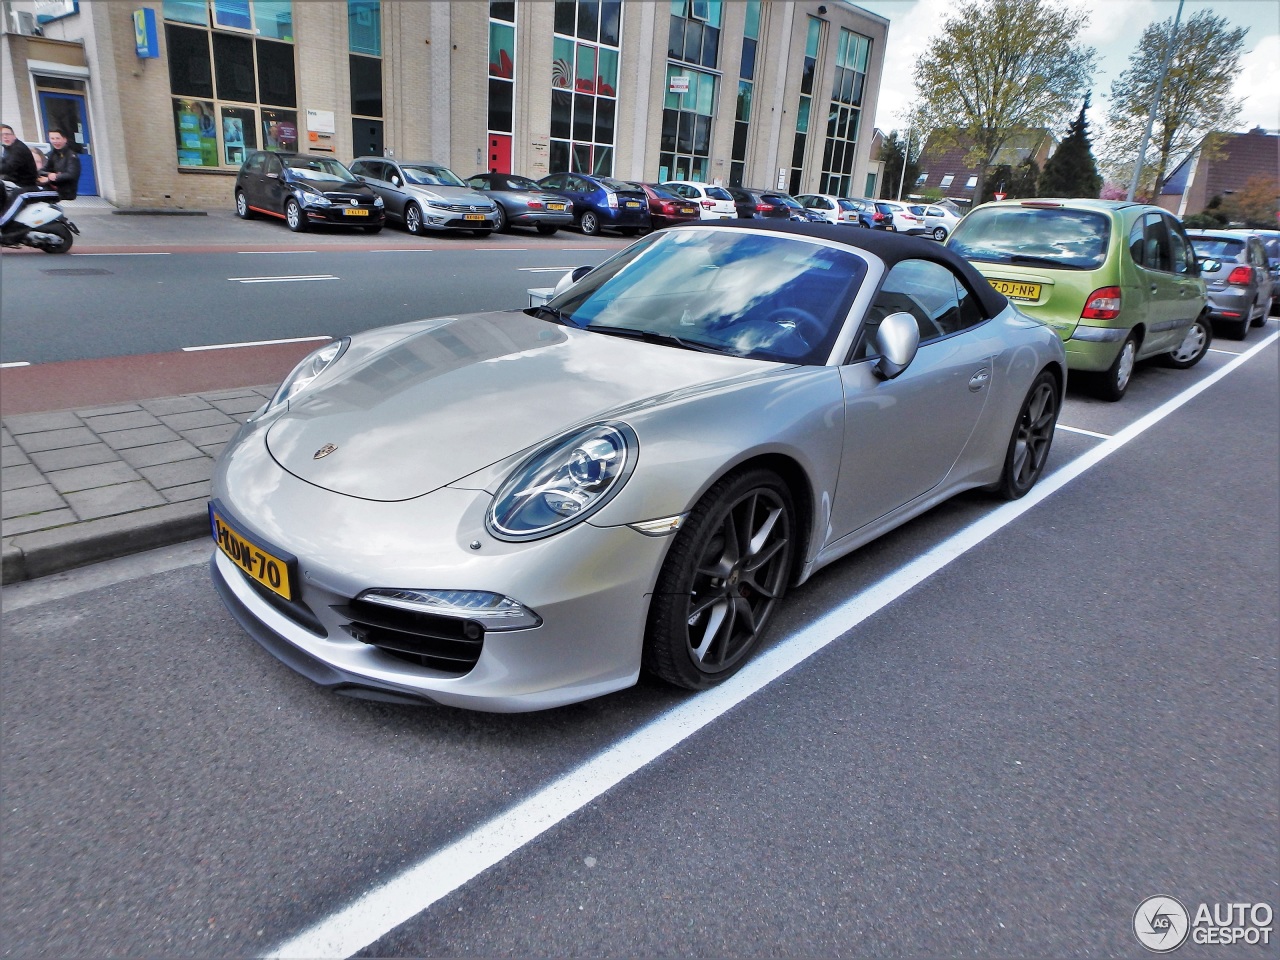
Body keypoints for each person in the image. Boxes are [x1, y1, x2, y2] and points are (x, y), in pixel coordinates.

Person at [1, 123, 39, 222]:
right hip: (14, 181)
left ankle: (3, 221)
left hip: (23, 184)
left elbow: (8, 167)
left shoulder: (18, 148)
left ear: (14, 135)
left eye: (7, 134)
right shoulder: (8, 147)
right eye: (1, 135)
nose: (5, 137)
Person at [40, 128, 80, 200]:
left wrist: (55, 177)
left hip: (65, 192)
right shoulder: (53, 154)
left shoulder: (71, 155)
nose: (55, 141)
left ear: (65, 139)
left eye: (57, 138)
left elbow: (72, 174)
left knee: (28, 196)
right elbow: (41, 171)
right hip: (52, 187)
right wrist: (49, 174)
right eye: (52, 138)